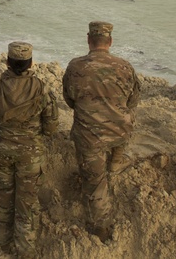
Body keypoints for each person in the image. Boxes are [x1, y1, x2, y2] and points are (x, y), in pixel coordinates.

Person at [62, 21, 140, 242]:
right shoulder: (125, 66)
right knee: (125, 117)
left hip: (90, 137)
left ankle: (101, 230)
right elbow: (133, 100)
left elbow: (69, 100)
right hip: (120, 132)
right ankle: (116, 160)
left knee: (95, 184)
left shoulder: (75, 67)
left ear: (88, 40)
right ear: (111, 42)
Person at [0, 42, 58, 258]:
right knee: (27, 201)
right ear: (30, 63)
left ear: (7, 62)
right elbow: (52, 125)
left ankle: (2, 240)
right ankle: (25, 249)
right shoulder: (41, 88)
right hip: (30, 154)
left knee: (4, 194)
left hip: (2, 150)